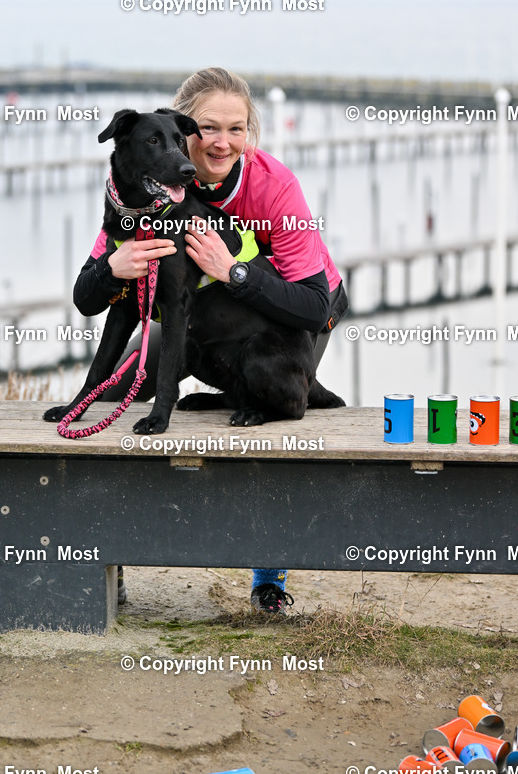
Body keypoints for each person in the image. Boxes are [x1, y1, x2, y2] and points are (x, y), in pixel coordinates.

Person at [73, 67, 348, 613]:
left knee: (271, 417)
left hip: (290, 320)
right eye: (208, 128)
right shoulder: (145, 186)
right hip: (194, 324)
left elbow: (313, 308)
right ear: (182, 131)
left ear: (250, 135)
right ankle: (109, 560)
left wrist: (235, 272)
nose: (222, 142)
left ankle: (269, 579)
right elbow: (87, 298)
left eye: (237, 129)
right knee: (112, 391)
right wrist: (115, 268)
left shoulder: (273, 185)